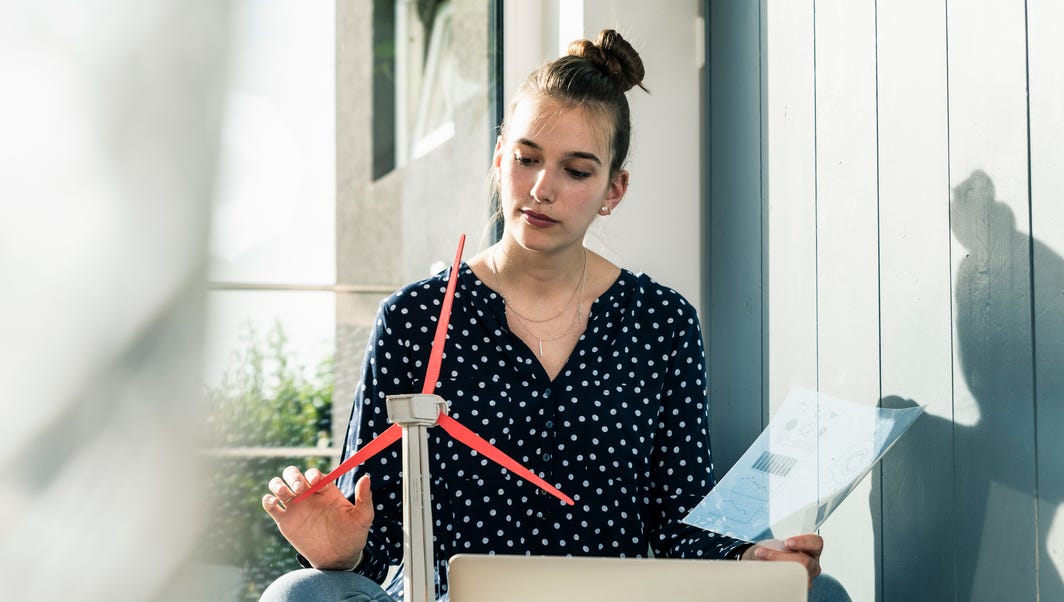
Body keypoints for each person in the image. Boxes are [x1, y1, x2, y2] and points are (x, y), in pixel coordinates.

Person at [260, 29, 849, 601]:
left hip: (611, 599)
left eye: (576, 170)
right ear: (499, 159)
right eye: (526, 158)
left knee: (820, 596)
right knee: (301, 592)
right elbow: (376, 532)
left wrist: (748, 560)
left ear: (613, 190)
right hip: (442, 599)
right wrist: (335, 549)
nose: (541, 188)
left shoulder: (662, 324)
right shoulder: (415, 317)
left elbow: (680, 525)